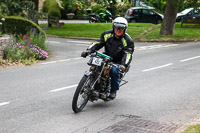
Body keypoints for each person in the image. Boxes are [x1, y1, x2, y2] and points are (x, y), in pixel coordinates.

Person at [81, 17, 135, 99]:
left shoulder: (128, 41)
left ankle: (113, 90)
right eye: (116, 27)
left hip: (118, 61)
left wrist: (123, 65)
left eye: (121, 28)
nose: (118, 30)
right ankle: (93, 82)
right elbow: (98, 43)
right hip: (106, 57)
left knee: (114, 71)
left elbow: (128, 54)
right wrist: (88, 51)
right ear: (113, 27)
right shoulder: (107, 34)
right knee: (95, 65)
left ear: (125, 29)